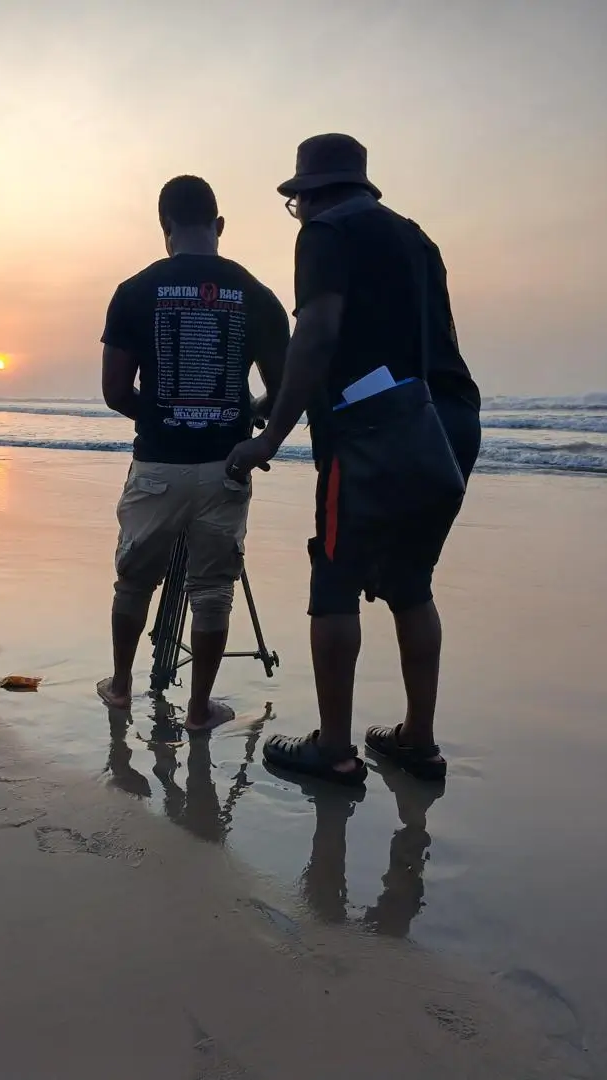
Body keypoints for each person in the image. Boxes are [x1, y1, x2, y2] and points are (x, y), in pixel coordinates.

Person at [225, 134, 481, 783]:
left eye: (296, 202)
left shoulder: (325, 233)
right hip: (447, 425)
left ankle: (333, 750)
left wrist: (270, 437)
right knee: (411, 583)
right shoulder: (416, 238)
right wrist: (275, 399)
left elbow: (318, 333)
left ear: (308, 194)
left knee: (335, 580)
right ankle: (416, 741)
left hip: (372, 432)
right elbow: (398, 344)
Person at [98, 175, 290, 731]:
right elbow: (283, 391)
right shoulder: (256, 294)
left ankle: (121, 686)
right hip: (225, 466)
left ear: (165, 230)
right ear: (219, 226)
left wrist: (162, 416)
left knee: (134, 581)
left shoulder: (134, 291)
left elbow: (115, 392)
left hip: (158, 464)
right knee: (213, 591)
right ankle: (200, 707)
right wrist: (249, 414)